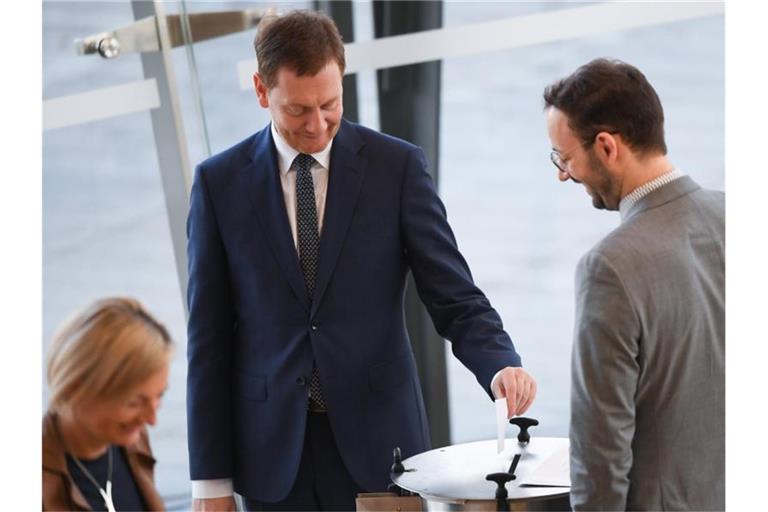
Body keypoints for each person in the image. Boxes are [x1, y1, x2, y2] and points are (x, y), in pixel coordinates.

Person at [186, 9, 537, 512]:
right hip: (270, 457)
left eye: (329, 104)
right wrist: (209, 482)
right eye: (297, 110)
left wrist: (499, 364)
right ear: (262, 92)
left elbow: (454, 295)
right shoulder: (219, 185)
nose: (317, 124)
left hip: (382, 449)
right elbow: (208, 341)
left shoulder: (396, 168)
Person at [543, 58, 725, 510]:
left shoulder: (608, 268)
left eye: (565, 158)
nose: (563, 174)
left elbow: (600, 453)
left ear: (606, 147)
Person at [43, 297, 172, 511]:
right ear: (77, 388)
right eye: (133, 403)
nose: (151, 419)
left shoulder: (131, 441)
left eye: (159, 396)